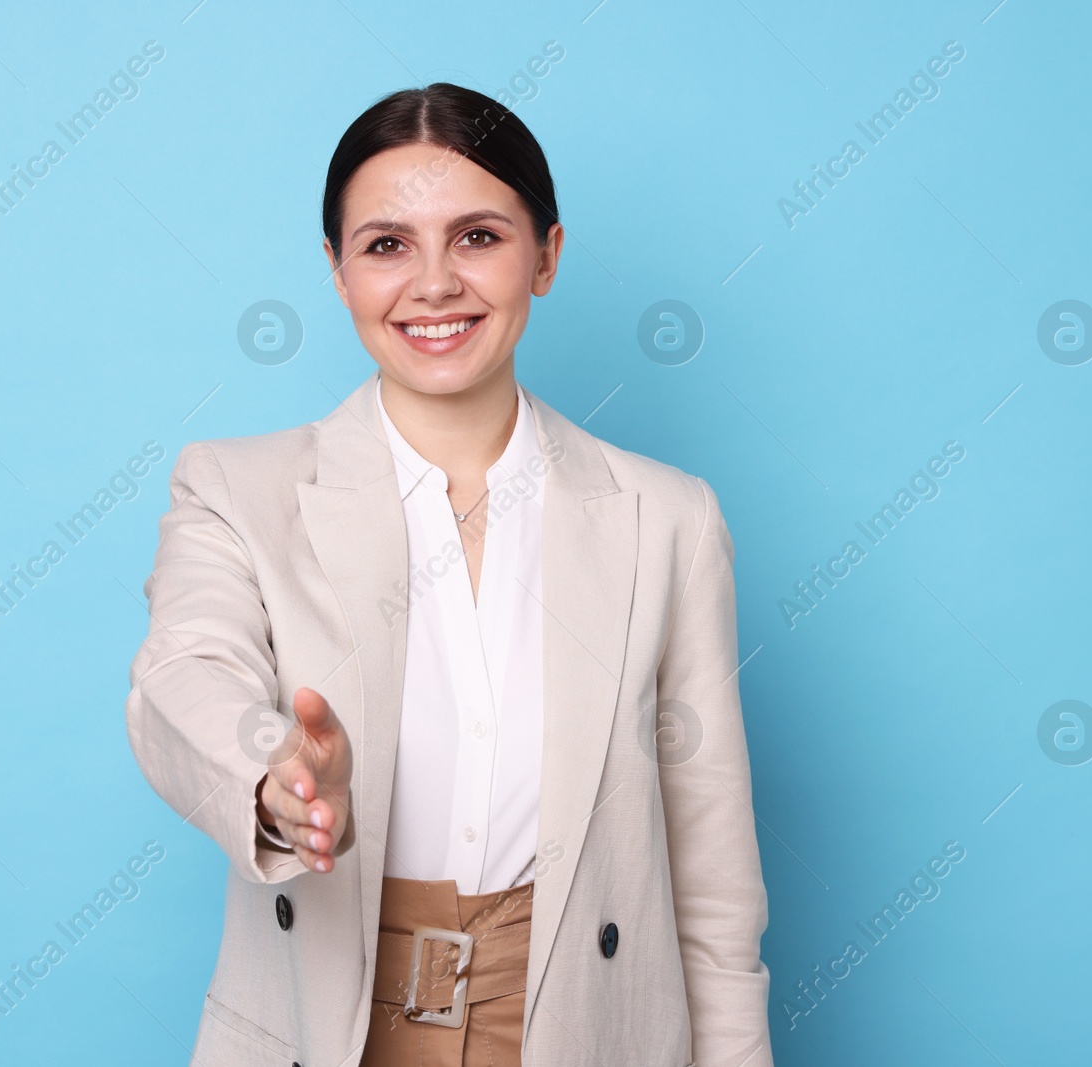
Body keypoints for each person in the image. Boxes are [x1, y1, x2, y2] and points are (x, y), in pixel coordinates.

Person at [125, 81, 772, 1067]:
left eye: (476, 236)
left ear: (545, 256)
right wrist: (277, 777)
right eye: (387, 244)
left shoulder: (667, 517)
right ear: (337, 272)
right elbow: (183, 673)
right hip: (330, 1018)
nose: (433, 284)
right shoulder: (235, 486)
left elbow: (713, 887)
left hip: (582, 1023)